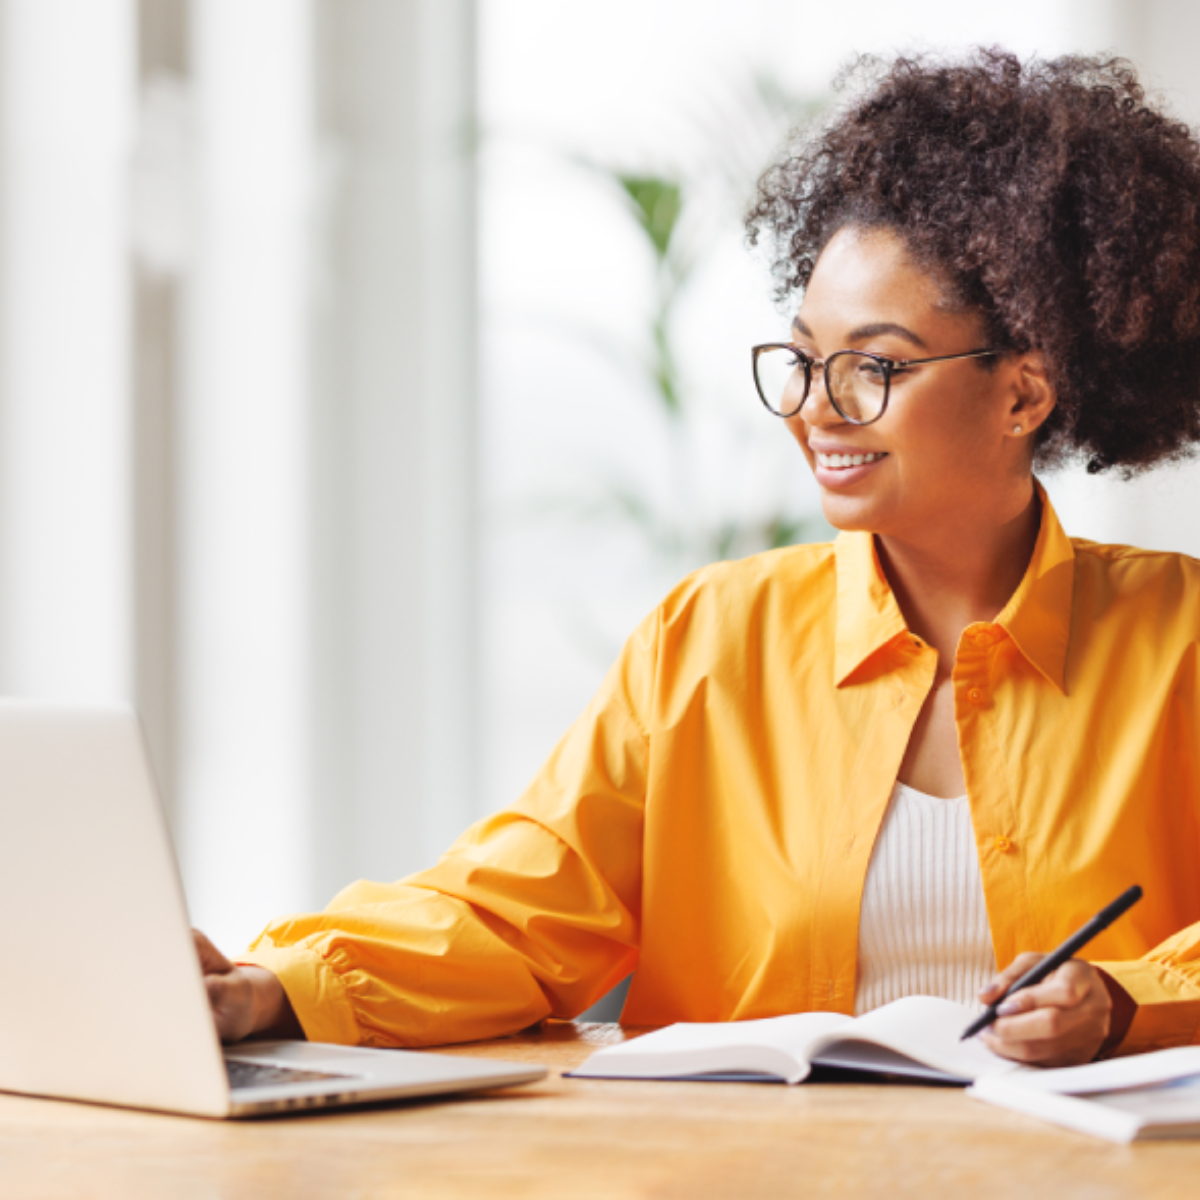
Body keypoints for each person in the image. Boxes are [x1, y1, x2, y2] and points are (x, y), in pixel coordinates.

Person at [198, 49, 1200, 1068]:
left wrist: (1126, 1001)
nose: (816, 408)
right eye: (805, 359)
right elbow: (516, 911)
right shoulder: (711, 638)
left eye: (873, 367)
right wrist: (270, 989)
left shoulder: (1181, 636)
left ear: (1024, 394)